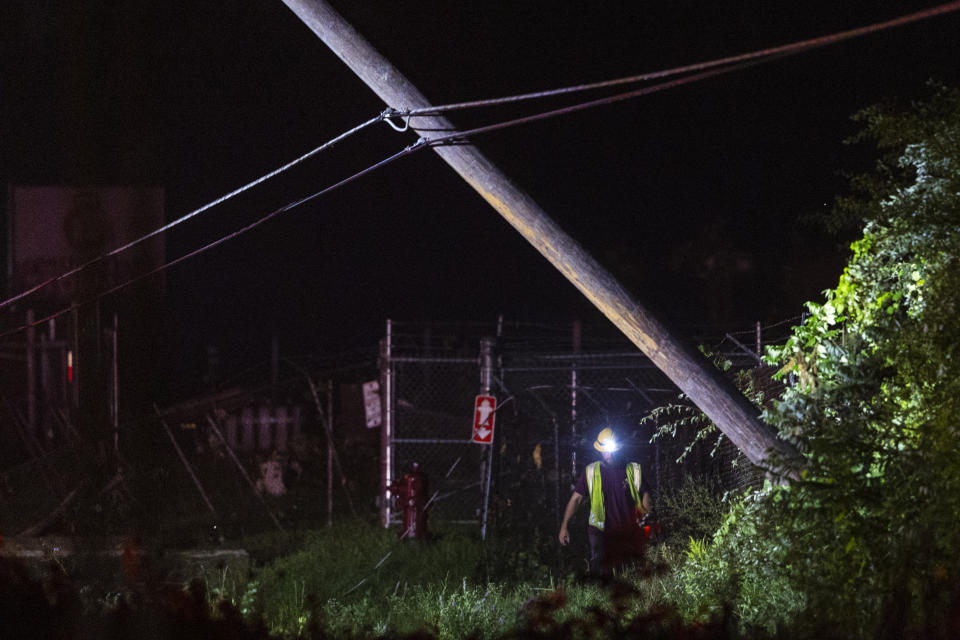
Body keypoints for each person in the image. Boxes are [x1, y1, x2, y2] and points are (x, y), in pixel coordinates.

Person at [558, 427, 652, 577]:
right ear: (600, 450)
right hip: (599, 531)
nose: (608, 454)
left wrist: (646, 517)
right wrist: (564, 526)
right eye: (605, 450)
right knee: (601, 572)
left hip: (626, 530)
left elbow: (645, 493)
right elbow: (576, 499)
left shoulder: (633, 469)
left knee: (626, 572)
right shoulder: (591, 471)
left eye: (611, 449)